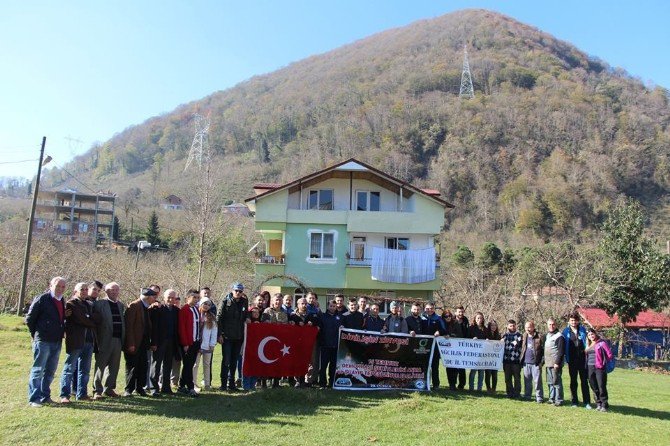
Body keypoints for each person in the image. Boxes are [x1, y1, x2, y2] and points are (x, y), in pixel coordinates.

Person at [26, 276, 68, 407]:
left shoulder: (62, 300)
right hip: (43, 340)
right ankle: (34, 398)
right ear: (51, 285)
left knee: (50, 371)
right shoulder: (42, 299)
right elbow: (30, 319)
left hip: (56, 340)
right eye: (57, 286)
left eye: (63, 286)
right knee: (38, 370)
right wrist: (36, 334)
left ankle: (45, 396)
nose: (60, 289)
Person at [59, 282, 97, 403]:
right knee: (69, 368)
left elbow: (98, 318)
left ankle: (82, 394)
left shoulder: (90, 304)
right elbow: (80, 319)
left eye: (86, 289)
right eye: (82, 289)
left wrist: (89, 318)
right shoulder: (71, 303)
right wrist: (90, 320)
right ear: (75, 291)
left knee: (85, 370)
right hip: (76, 341)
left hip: (89, 341)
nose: (85, 291)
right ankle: (64, 395)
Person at [92, 282, 125, 400]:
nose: (114, 292)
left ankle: (109, 388)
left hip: (118, 339)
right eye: (112, 290)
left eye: (116, 290)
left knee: (114, 366)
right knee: (100, 365)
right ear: (106, 291)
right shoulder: (100, 304)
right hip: (104, 339)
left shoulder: (121, 305)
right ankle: (97, 390)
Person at [123, 288, 158, 397]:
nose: (155, 298)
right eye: (153, 296)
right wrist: (131, 343)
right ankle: (129, 389)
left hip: (144, 343)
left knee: (143, 366)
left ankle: (140, 388)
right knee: (132, 366)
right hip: (134, 343)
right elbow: (129, 326)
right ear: (148, 297)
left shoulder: (147, 307)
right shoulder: (134, 306)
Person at [217, 282, 249, 391]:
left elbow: (245, 315)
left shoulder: (244, 302)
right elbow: (219, 318)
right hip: (227, 336)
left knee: (234, 361)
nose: (238, 293)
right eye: (236, 291)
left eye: (240, 291)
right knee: (226, 360)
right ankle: (223, 384)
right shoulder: (225, 301)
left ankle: (232, 384)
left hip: (238, 336)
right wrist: (220, 334)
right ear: (232, 291)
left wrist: (247, 318)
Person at [150, 289, 179, 395]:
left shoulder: (176, 310)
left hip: (171, 342)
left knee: (168, 365)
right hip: (159, 341)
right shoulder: (158, 309)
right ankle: (154, 388)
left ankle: (166, 387)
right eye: (169, 297)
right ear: (164, 297)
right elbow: (154, 327)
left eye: (173, 297)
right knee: (156, 365)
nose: (171, 299)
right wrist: (153, 342)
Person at [260, 293, 289, 388]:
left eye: (280, 300)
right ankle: (264, 382)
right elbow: (263, 323)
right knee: (266, 362)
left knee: (278, 362)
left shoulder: (284, 313)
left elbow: (286, 326)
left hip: (279, 341)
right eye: (276, 300)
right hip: (268, 340)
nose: (278, 302)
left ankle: (276, 382)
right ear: (272, 301)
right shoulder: (267, 311)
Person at [563, 312, 591, 409]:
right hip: (572, 360)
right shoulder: (565, 331)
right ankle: (574, 401)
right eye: (571, 320)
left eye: (575, 320)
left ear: (578, 321)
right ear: (569, 321)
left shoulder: (583, 330)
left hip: (582, 360)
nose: (573, 322)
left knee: (584, 381)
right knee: (573, 381)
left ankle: (587, 402)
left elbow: (588, 342)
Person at [290, 297, 320, 387]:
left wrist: (313, 325)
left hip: (309, 342)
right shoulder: (292, 315)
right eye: (302, 303)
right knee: (297, 360)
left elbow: (319, 326)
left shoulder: (313, 315)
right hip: (296, 342)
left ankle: (308, 381)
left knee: (310, 360)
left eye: (305, 303)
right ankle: (297, 380)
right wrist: (293, 323)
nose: (304, 305)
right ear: (297, 305)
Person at [178, 290, 201, 397]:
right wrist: (185, 343)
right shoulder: (184, 310)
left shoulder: (196, 309)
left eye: (197, 297)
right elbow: (182, 328)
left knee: (189, 365)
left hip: (196, 341)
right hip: (188, 342)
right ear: (188, 297)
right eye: (194, 297)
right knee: (188, 365)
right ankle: (190, 387)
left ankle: (181, 386)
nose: (196, 299)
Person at [585, 329, 613, 412]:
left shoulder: (602, 343)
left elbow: (609, 354)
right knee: (593, 386)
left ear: (595, 334)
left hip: (599, 367)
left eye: (592, 334)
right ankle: (598, 403)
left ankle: (604, 404)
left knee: (601, 386)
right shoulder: (588, 344)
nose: (591, 336)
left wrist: (604, 362)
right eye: (589, 335)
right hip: (590, 367)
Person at [194, 299, 217, 391]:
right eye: (205, 304)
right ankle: (194, 383)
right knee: (195, 364)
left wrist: (212, 344)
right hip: (196, 344)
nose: (206, 306)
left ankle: (207, 384)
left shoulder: (211, 317)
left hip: (207, 344)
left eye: (208, 304)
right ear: (201, 304)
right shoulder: (195, 314)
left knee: (207, 364)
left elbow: (214, 332)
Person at [423, 302, 447, 389]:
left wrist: (439, 332)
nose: (430, 310)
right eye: (428, 308)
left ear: (434, 309)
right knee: (424, 366)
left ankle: (436, 384)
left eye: (431, 308)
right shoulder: (422, 318)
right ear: (425, 309)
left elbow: (444, 330)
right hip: (423, 346)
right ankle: (424, 383)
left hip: (435, 347)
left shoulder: (438, 318)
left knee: (434, 366)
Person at [318, 300, 342, 388]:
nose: (332, 308)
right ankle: (322, 383)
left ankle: (331, 383)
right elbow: (319, 329)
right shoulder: (323, 316)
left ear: (336, 307)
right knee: (323, 366)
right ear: (328, 306)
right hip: (325, 345)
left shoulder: (340, 317)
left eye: (334, 306)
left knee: (333, 366)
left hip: (335, 346)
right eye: (331, 306)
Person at [520, 320, 544, 403]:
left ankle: (539, 397)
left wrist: (541, 362)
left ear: (533, 327)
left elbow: (543, 350)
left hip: (536, 363)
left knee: (537, 382)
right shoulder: (524, 336)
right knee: (527, 381)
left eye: (529, 327)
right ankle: (527, 396)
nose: (528, 329)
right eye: (526, 327)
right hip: (526, 362)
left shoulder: (539, 336)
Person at [544, 318, 565, 406]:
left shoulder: (559, 336)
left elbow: (561, 351)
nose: (551, 326)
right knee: (550, 382)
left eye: (553, 324)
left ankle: (559, 399)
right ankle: (551, 398)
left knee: (557, 382)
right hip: (548, 363)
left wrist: (557, 362)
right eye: (550, 324)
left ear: (556, 325)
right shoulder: (547, 335)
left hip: (555, 364)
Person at [448, 305, 469, 390]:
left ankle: (461, 385)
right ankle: (452, 384)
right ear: (455, 312)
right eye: (459, 312)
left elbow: (468, 333)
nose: (461, 313)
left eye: (462, 311)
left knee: (462, 367)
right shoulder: (451, 321)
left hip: (463, 347)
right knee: (452, 367)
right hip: (452, 346)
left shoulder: (465, 321)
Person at [501, 319, 522, 399]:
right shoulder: (504, 336)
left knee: (517, 378)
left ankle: (517, 393)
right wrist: (501, 341)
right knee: (507, 378)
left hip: (516, 361)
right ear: (507, 326)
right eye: (510, 326)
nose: (512, 327)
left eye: (513, 325)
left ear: (516, 326)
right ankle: (509, 393)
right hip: (506, 360)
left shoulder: (519, 336)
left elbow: (514, 344)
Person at [468, 312, 488, 392]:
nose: (479, 320)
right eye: (478, 318)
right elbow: (466, 339)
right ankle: (471, 388)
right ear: (475, 319)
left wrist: (487, 339)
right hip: (474, 354)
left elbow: (488, 337)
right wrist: (472, 339)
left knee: (481, 372)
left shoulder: (485, 329)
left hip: (483, 354)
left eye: (481, 318)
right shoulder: (471, 328)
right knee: (473, 372)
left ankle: (479, 389)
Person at [170, 295, 183, 389]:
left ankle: (174, 381)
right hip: (168, 340)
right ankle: (162, 380)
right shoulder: (165, 310)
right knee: (165, 362)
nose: (176, 304)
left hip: (178, 341)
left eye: (177, 302)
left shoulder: (180, 312)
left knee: (177, 361)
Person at [485, 320, 500, 393]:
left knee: (494, 374)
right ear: (489, 326)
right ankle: (488, 388)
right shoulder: (486, 334)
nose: (493, 327)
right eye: (492, 325)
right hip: (487, 357)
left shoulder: (498, 335)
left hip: (495, 358)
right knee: (488, 373)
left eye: (495, 325)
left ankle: (494, 389)